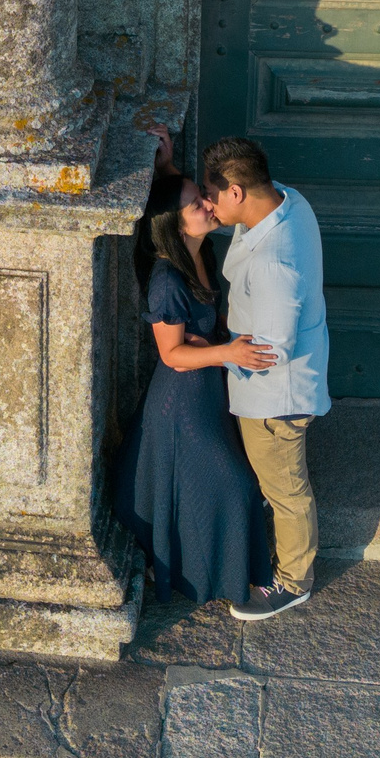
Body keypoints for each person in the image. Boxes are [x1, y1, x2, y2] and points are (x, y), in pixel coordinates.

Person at [112, 178, 278, 610]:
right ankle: (227, 579)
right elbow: (171, 354)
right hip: (181, 404)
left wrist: (164, 164)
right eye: (196, 204)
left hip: (207, 393)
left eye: (203, 196)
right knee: (235, 485)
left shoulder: (200, 252)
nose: (208, 203)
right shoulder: (167, 279)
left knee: (227, 483)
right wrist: (229, 352)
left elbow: (170, 193)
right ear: (174, 224)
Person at [202, 135, 330, 620]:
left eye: (213, 196)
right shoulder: (290, 201)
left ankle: (293, 581)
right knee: (277, 483)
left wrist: (221, 350)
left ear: (236, 192)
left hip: (275, 399)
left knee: (286, 490)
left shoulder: (274, 263)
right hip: (282, 384)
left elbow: (272, 350)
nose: (209, 205)